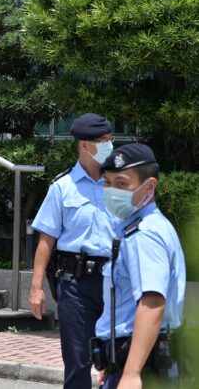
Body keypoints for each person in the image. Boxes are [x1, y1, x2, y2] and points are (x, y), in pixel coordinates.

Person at [29, 113, 117, 389]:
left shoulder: (120, 184)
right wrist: (36, 288)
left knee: (118, 359)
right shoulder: (62, 187)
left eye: (109, 139)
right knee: (78, 361)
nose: (108, 145)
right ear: (83, 145)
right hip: (76, 285)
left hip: (115, 282)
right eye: (101, 141)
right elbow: (46, 240)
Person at [92, 143, 185, 389]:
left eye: (122, 183)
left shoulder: (145, 235)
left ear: (149, 186)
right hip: (131, 358)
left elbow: (152, 302)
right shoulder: (135, 228)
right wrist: (115, 363)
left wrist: (132, 372)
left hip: (144, 366)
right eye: (108, 183)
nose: (112, 191)